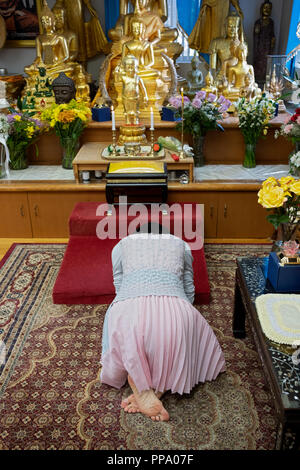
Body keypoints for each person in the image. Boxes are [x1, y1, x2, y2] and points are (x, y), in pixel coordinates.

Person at [100, 224, 226, 422]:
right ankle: (159, 386)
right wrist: (183, 312)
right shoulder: (181, 245)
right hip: (174, 307)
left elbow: (119, 284)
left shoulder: (121, 245)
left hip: (128, 307)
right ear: (166, 235)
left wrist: (129, 302)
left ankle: (139, 379)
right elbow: (189, 287)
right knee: (182, 337)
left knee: (125, 328)